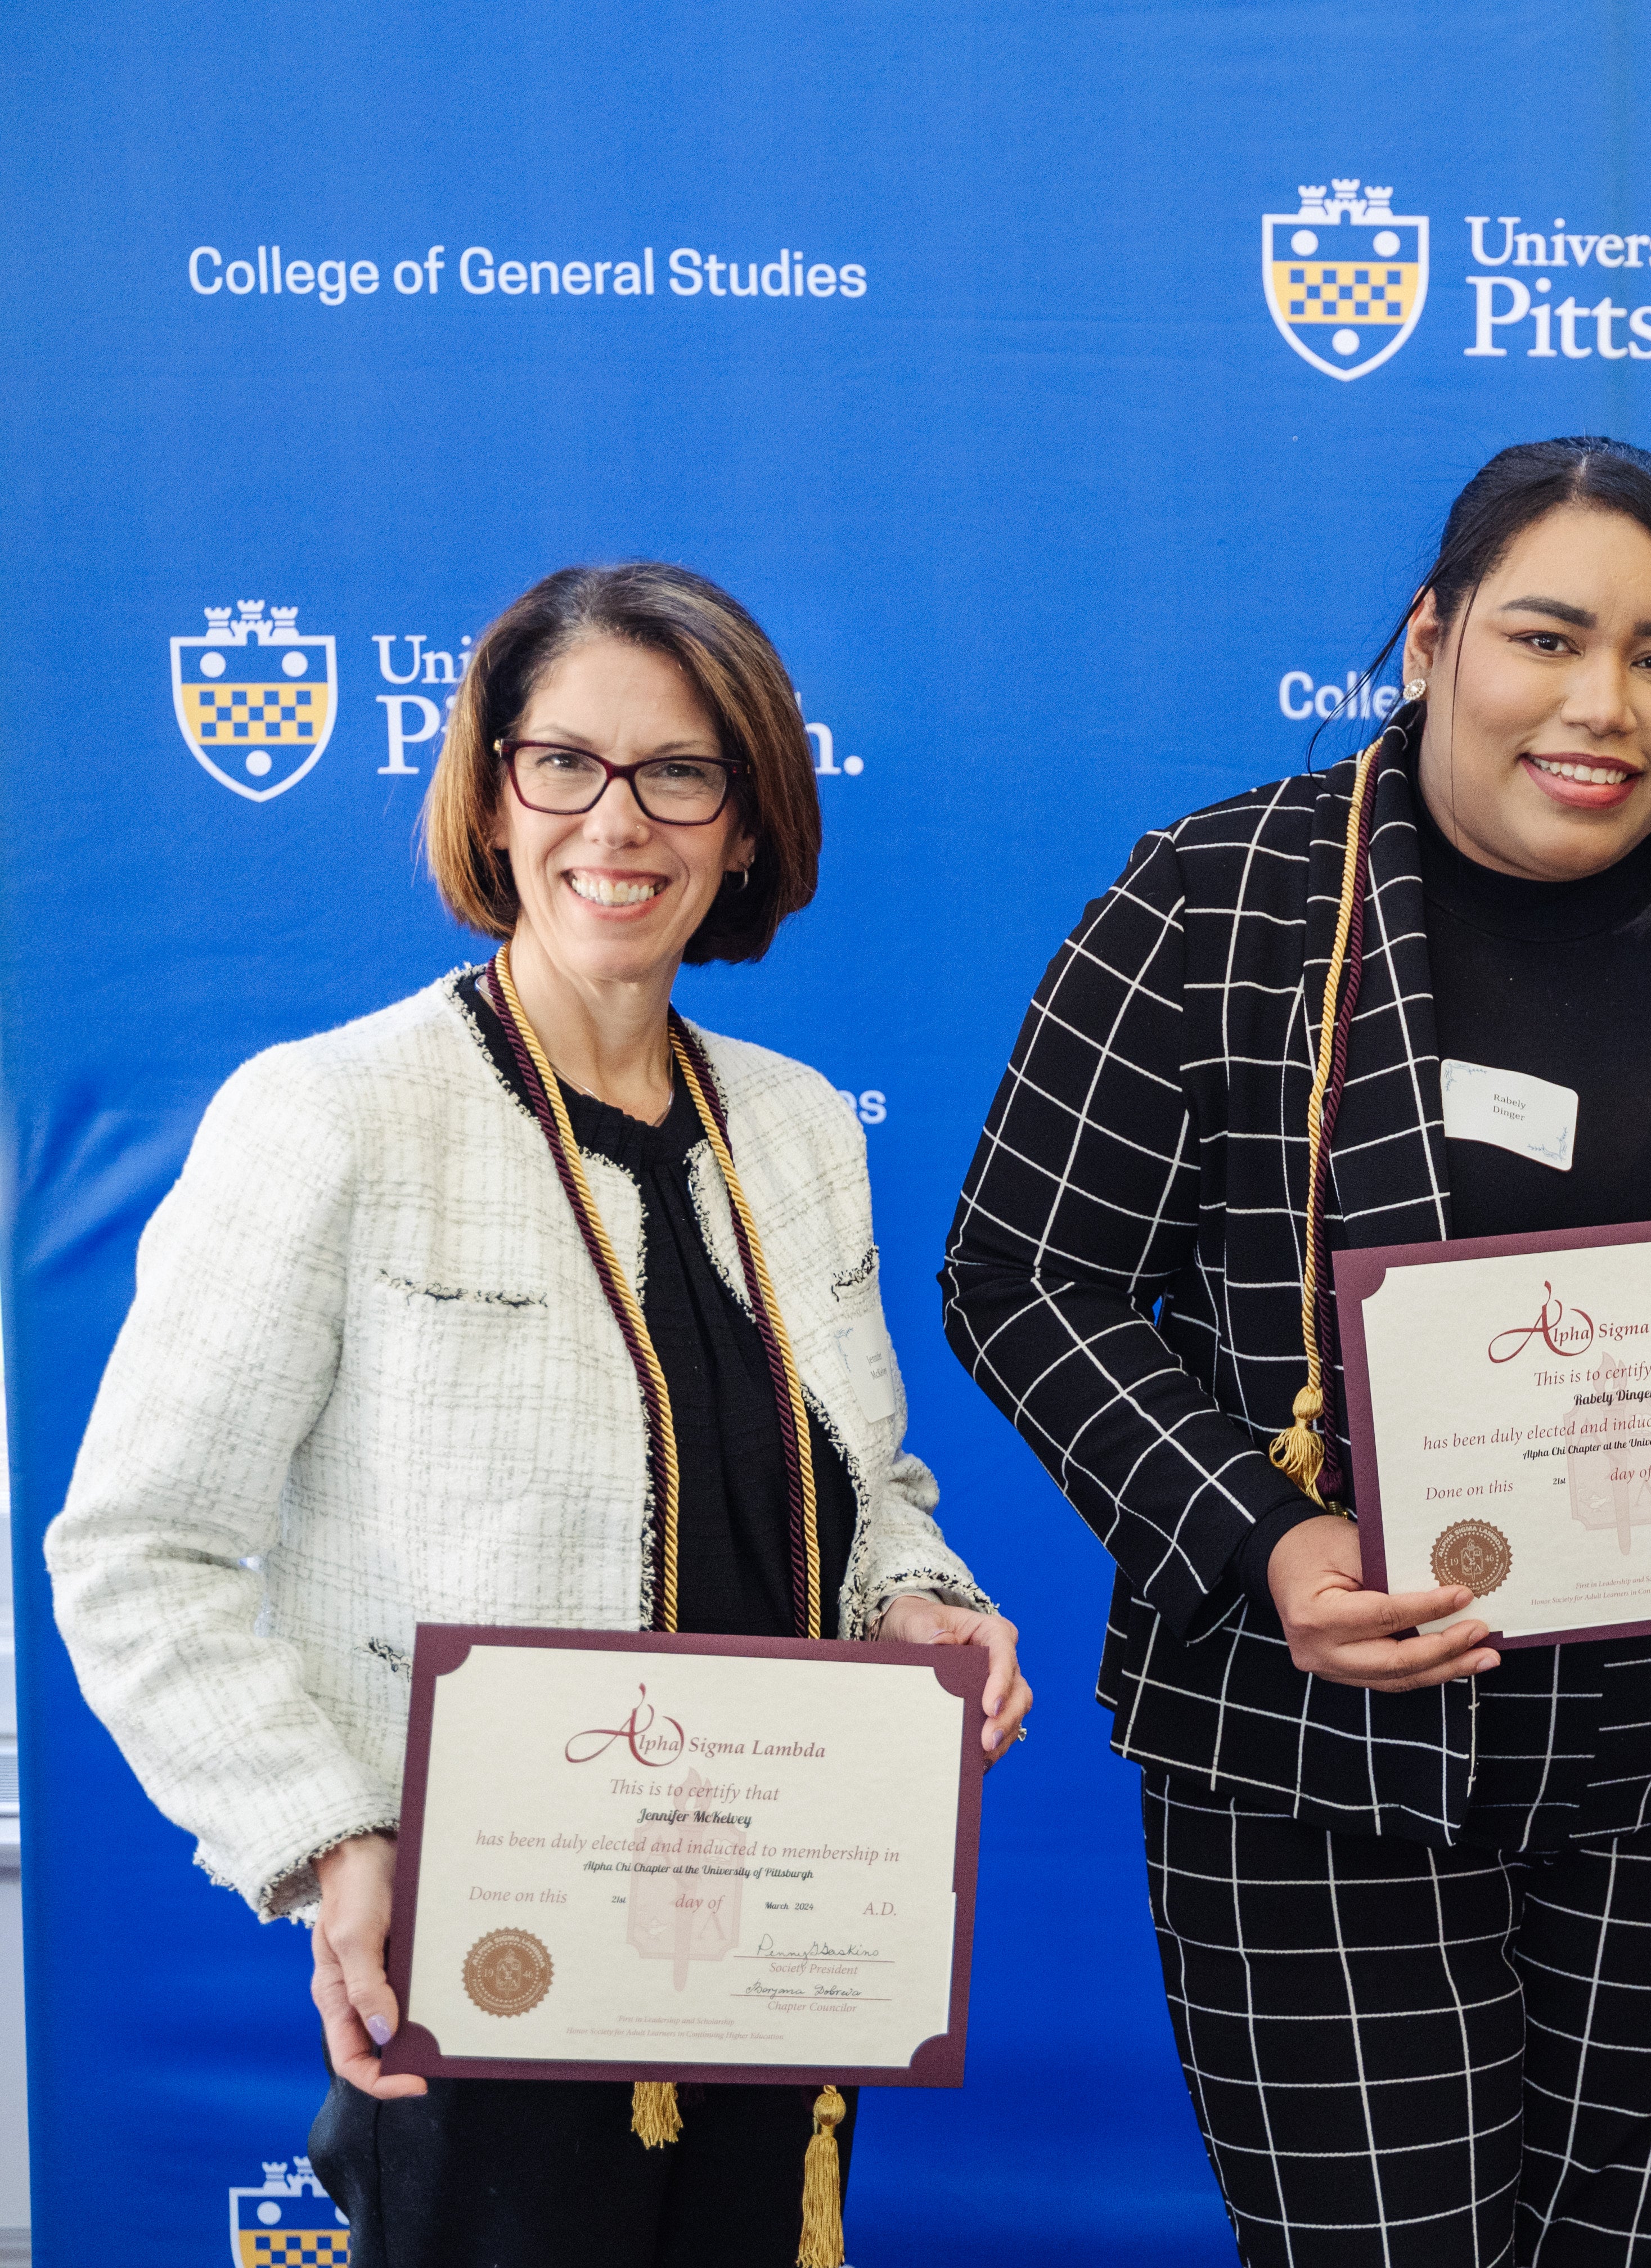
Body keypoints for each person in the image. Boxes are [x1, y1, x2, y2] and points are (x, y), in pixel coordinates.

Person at [940, 437, 1651, 2265]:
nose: (1601, 706)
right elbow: (1023, 1274)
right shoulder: (1216, 905)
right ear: (1430, 640)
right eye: (1545, 639)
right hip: (1324, 1756)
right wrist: (1263, 1535)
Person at [47, 561, 1032, 2268]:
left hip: (780, 1941)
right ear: (494, 799)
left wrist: (922, 1597)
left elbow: (866, 1485)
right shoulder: (333, 1118)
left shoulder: (795, 1130)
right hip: (481, 1963)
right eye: (563, 763)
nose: (618, 821)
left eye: (682, 772)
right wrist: (330, 1841)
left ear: (747, 822)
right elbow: (140, 1549)